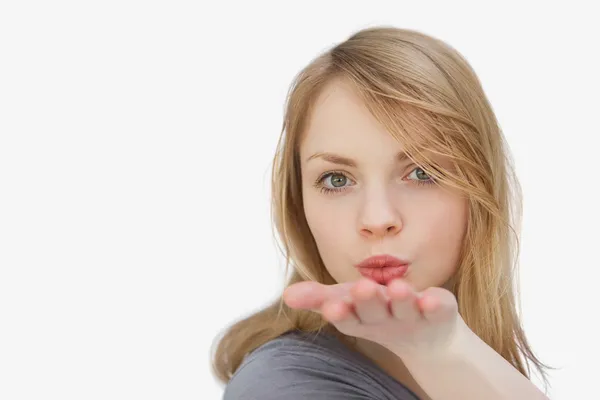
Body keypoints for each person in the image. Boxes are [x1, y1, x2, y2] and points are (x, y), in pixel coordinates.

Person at [211, 26, 553, 399]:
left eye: (422, 173)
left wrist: (448, 354)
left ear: (482, 189)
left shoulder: (476, 359)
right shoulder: (281, 387)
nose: (377, 219)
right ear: (298, 204)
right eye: (337, 179)